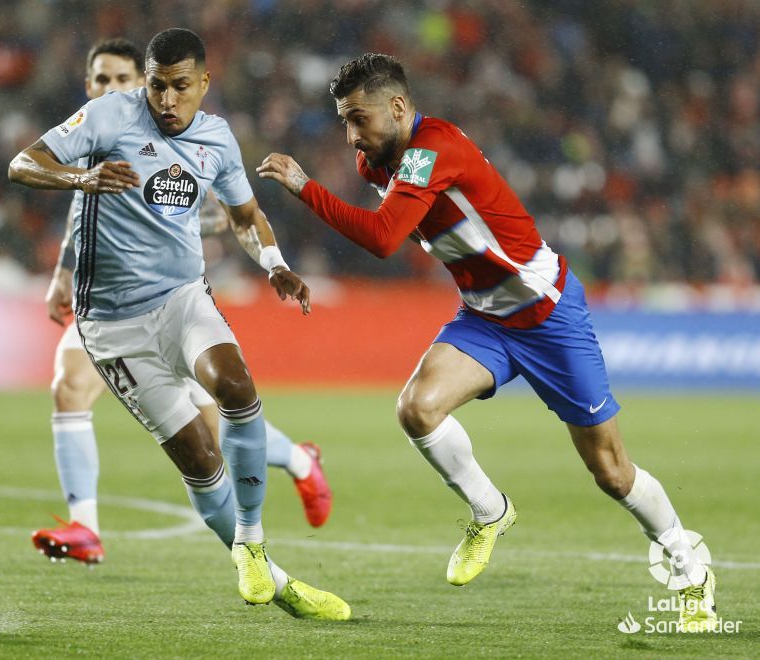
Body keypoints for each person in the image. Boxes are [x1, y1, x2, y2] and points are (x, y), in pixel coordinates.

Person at [257, 53, 715, 632]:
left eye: (358, 118)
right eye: (344, 120)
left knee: (613, 474)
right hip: (486, 319)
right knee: (417, 409)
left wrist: (303, 186)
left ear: (398, 107)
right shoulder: (385, 158)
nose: (351, 135)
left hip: (547, 315)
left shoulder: (432, 148)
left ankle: (689, 568)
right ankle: (490, 510)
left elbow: (382, 238)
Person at [9, 29, 348, 620]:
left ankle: (249, 539)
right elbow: (23, 163)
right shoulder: (109, 115)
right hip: (112, 326)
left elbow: (246, 215)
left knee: (237, 387)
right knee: (198, 455)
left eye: (181, 88)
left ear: (204, 84)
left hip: (182, 298)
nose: (167, 100)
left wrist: (275, 265)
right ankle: (276, 575)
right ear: (146, 79)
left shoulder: (216, 138)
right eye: (158, 86)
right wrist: (82, 178)